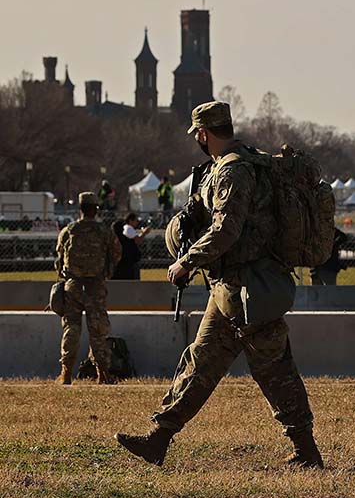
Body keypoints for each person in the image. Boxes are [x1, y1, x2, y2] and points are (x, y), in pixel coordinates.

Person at [115, 101, 322, 469]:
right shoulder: (238, 164)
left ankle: (307, 451)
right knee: (200, 363)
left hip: (251, 290)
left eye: (197, 133)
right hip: (230, 289)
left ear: (204, 133)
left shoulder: (233, 171)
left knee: (276, 371)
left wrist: (186, 261)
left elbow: (227, 230)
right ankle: (158, 440)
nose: (196, 138)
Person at [55, 191, 122, 385]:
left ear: (80, 209)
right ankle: (103, 374)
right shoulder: (104, 231)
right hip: (95, 286)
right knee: (98, 331)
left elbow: (59, 257)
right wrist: (106, 271)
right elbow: (117, 252)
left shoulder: (69, 230)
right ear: (95, 209)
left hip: (73, 285)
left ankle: (66, 373)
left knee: (72, 328)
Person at [113, 213, 150, 280]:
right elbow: (137, 240)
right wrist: (144, 233)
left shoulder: (126, 229)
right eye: (135, 220)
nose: (137, 222)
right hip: (130, 261)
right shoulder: (129, 228)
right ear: (130, 220)